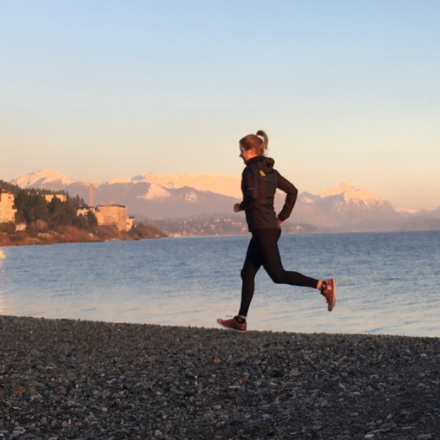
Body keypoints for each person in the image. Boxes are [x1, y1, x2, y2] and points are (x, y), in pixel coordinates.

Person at [217, 130, 336, 332]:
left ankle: (324, 286)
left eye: (241, 151)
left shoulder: (249, 171)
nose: (240, 155)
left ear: (250, 150)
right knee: (247, 273)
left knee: (278, 275)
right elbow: (293, 191)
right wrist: (282, 217)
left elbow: (253, 197)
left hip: (263, 229)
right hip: (267, 228)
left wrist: (240, 206)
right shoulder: (271, 172)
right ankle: (240, 320)